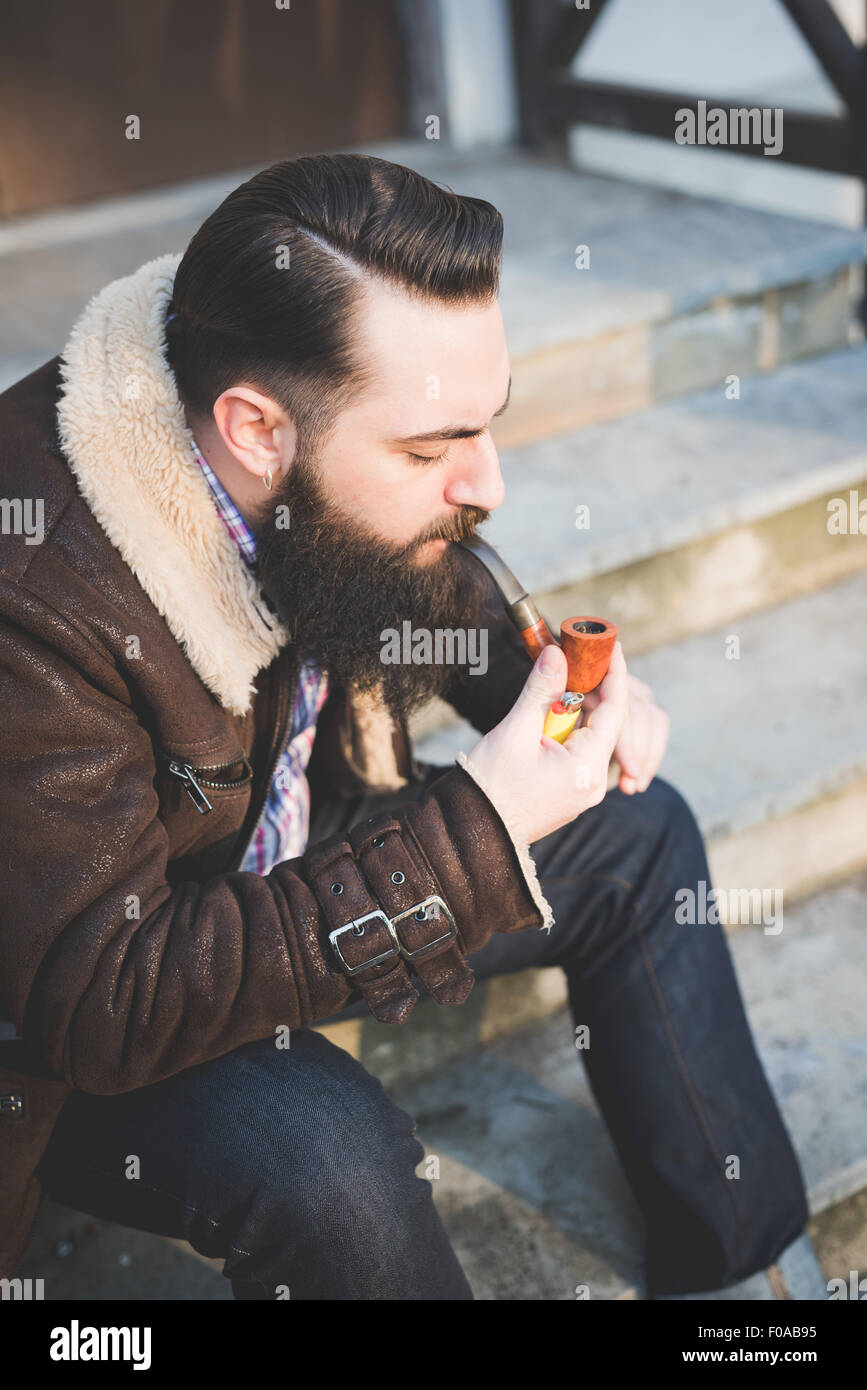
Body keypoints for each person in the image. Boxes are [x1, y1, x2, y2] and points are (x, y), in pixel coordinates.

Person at [0, 153, 812, 1300]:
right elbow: (98, 1006)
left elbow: (399, 555)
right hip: (89, 997)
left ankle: (751, 1284)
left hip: (266, 843)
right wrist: (479, 821)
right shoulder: (34, 597)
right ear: (256, 431)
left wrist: (553, 695)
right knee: (328, 1157)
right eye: (432, 448)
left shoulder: (262, 393)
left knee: (639, 833)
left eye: (488, 425)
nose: (487, 480)